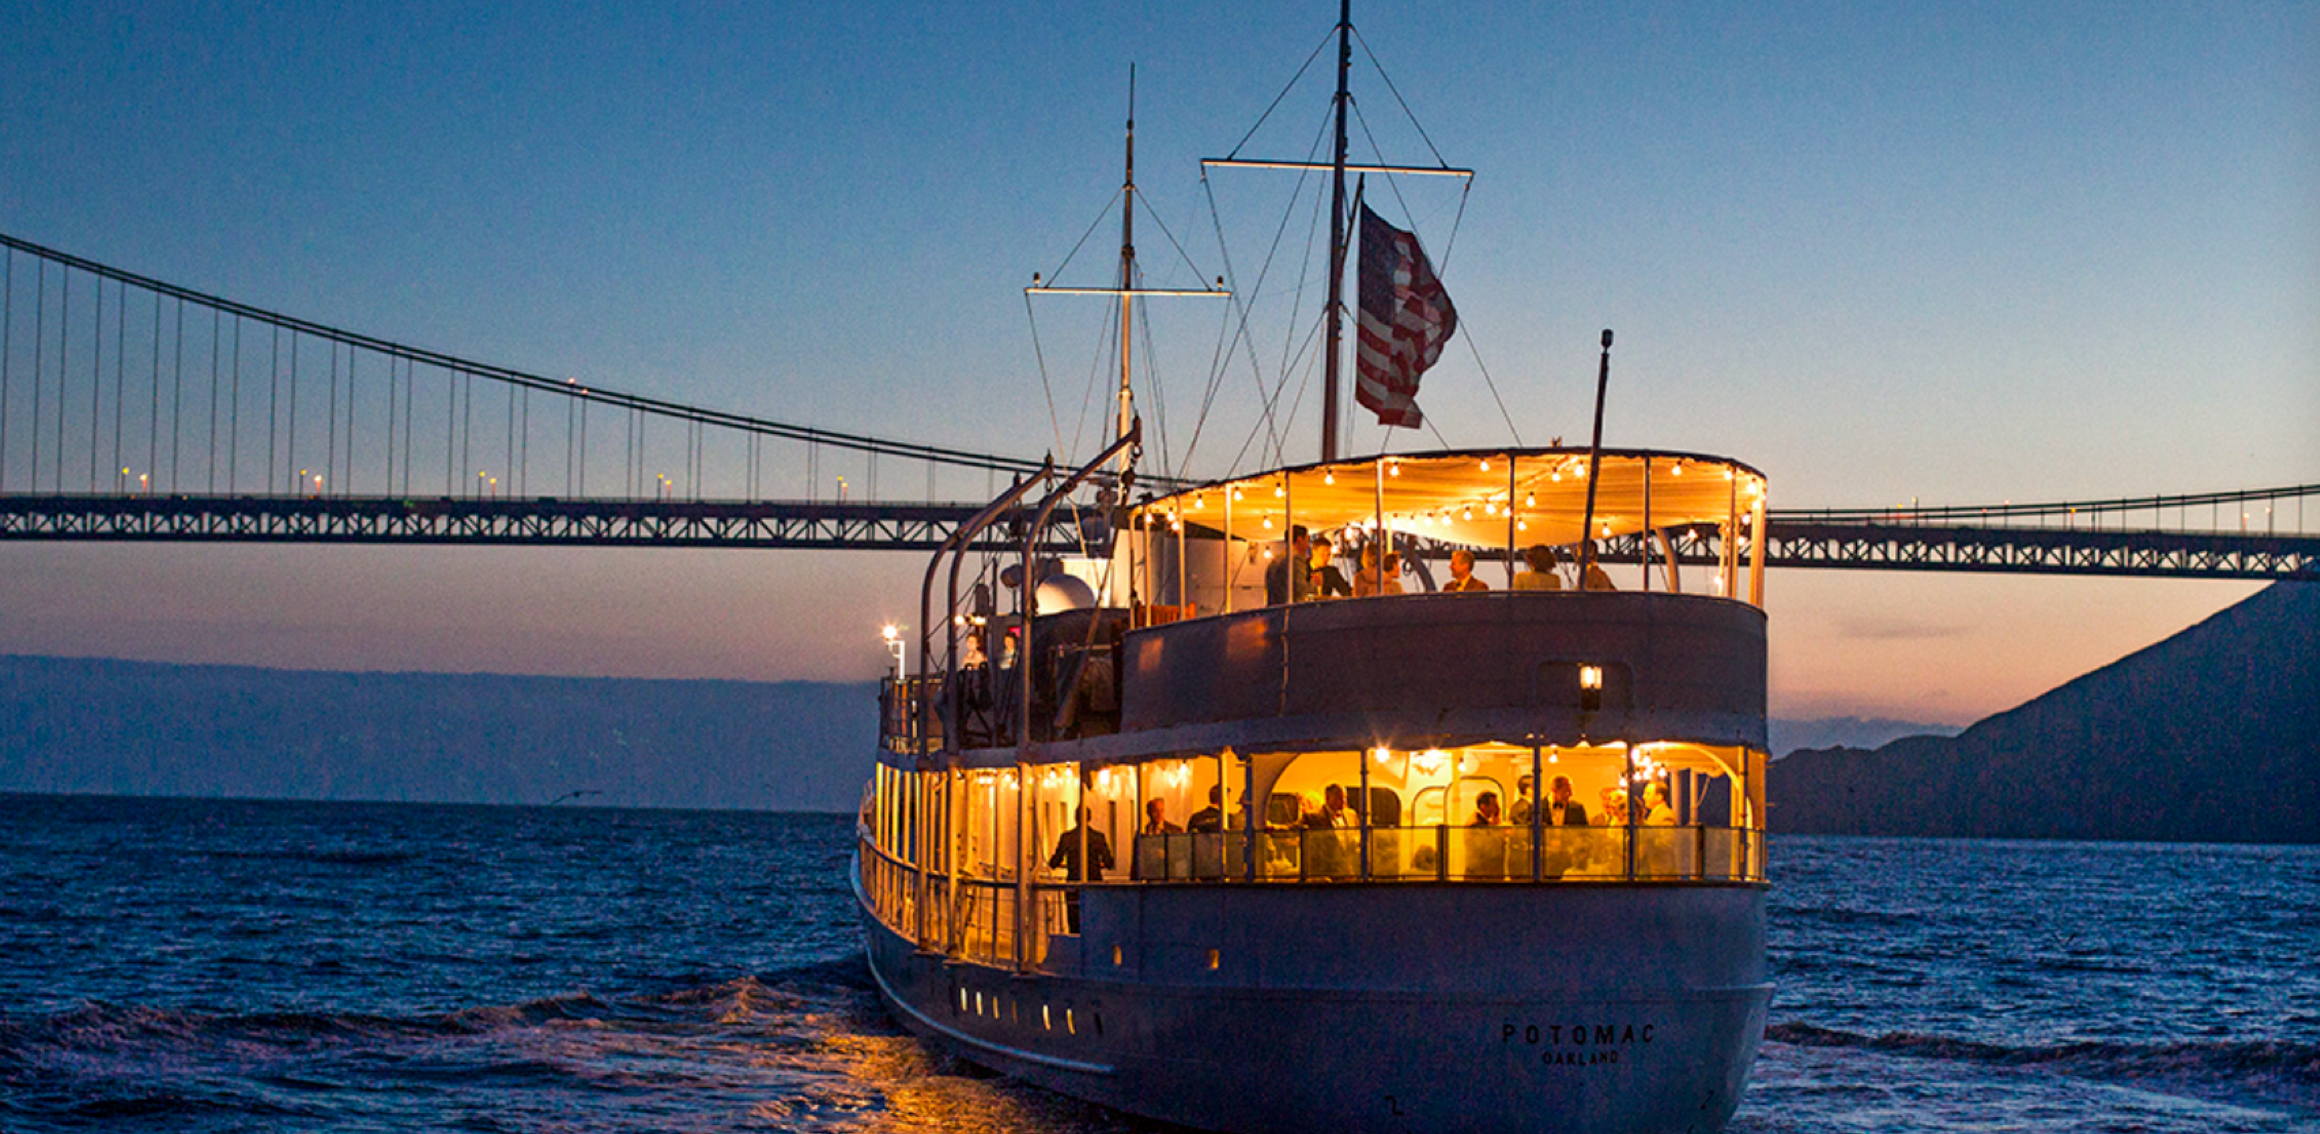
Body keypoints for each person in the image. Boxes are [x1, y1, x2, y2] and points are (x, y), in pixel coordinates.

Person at [1049, 806, 1115, 932]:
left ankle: (1076, 947)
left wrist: (1062, 863)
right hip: (1094, 883)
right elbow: (1109, 862)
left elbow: (1054, 862)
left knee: (1074, 922)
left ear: (1075, 818)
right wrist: (1100, 863)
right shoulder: (1098, 837)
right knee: (1094, 920)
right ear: (1090, 818)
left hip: (1074, 883)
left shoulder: (1067, 837)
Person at [1265, 526, 1313, 605]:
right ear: (1299, 540)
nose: (1308, 546)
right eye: (1307, 541)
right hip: (1290, 613)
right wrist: (1314, 583)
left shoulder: (1274, 562)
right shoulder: (1295, 560)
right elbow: (1301, 589)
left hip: (1273, 612)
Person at [1465, 790, 1508, 878]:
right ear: (1483, 806)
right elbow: (1486, 848)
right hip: (1481, 874)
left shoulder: (1484, 822)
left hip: (1486, 873)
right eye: (1494, 805)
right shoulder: (1476, 824)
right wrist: (1498, 831)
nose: (1497, 808)